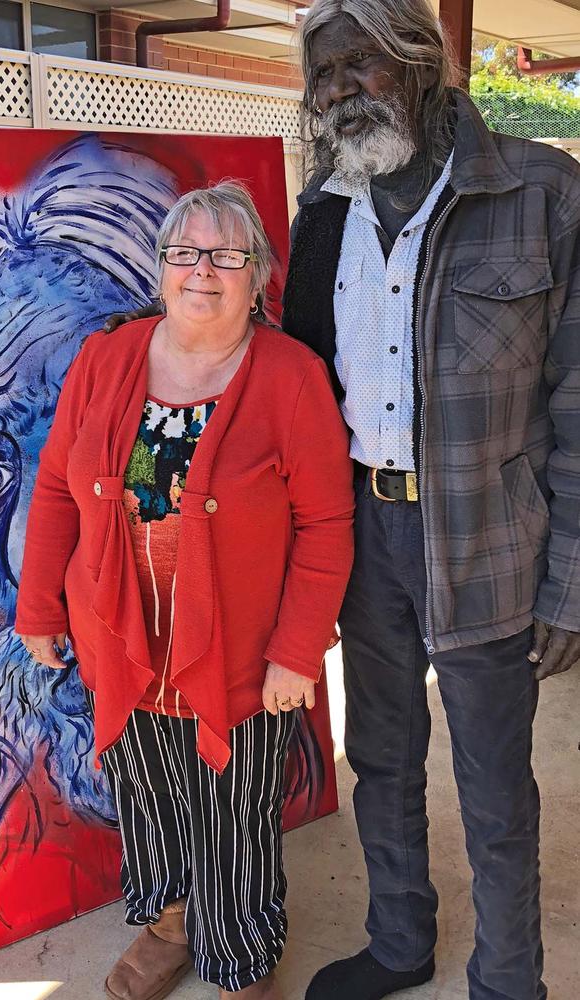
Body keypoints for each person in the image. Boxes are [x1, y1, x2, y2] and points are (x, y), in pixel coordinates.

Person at [282, 2, 580, 999]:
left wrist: (569, 583)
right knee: (380, 758)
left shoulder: (538, 192)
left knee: (495, 787)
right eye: (322, 74)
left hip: (488, 533)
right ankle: (400, 942)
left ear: (418, 61)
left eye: (355, 64)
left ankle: (507, 982)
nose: (335, 90)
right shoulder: (323, 206)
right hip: (364, 532)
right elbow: (301, 391)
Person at [15, 181, 354, 1000]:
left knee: (235, 818)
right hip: (120, 643)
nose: (203, 270)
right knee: (149, 797)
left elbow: (327, 526)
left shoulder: (291, 377)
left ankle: (240, 954)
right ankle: (169, 928)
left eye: (227, 254)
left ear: (258, 273)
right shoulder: (107, 358)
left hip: (242, 657)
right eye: (185, 252)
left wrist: (295, 652)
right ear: (162, 266)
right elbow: (59, 487)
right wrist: (39, 609)